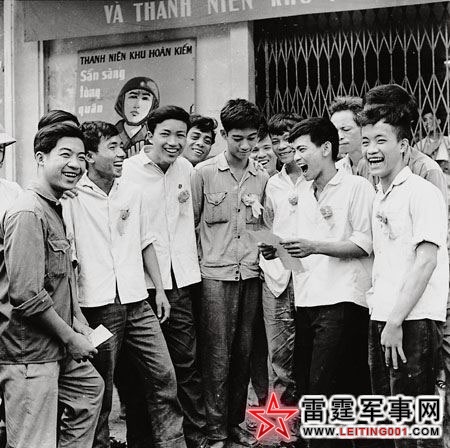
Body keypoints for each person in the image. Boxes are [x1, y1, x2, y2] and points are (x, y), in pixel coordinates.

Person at [62, 121, 186, 448]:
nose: (121, 154)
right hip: (97, 307)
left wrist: (160, 290)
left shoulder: (131, 191)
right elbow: (70, 260)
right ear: (89, 156)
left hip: (137, 301)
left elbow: (146, 241)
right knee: (100, 389)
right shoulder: (72, 197)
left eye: (121, 146)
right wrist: (77, 315)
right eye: (112, 147)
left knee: (164, 377)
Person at [261, 117, 375, 448]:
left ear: (326, 148)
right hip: (307, 302)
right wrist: (276, 251)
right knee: (314, 388)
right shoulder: (302, 191)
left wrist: (314, 246)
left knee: (326, 390)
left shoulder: (356, 187)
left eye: (301, 149)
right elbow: (300, 249)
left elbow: (363, 244)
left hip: (343, 302)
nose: (296, 157)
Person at [0, 122, 104, 448]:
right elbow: (26, 295)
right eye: (65, 155)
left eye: (81, 157)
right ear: (40, 158)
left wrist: (77, 322)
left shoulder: (52, 207)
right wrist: (72, 338)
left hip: (54, 344)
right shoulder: (29, 212)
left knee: (89, 390)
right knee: (33, 441)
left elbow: (58, 278)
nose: (75, 164)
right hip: (29, 353)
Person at [361, 95, 448, 448]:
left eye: (381, 140)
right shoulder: (379, 195)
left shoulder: (422, 193)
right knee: (389, 422)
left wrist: (395, 321)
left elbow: (426, 261)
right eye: (366, 141)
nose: (371, 150)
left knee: (413, 429)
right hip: (383, 318)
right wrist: (385, 319)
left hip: (412, 322)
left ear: (404, 145)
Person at [121, 106, 208, 448]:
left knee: (186, 365)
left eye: (180, 135)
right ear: (149, 134)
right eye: (166, 134)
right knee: (142, 371)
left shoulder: (187, 169)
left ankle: (194, 438)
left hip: (181, 284)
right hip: (141, 287)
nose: (174, 142)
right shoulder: (128, 171)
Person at [192, 98, 268, 448]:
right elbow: (191, 226)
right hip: (214, 278)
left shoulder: (262, 177)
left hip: (250, 276)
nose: (246, 145)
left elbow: (263, 227)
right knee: (216, 356)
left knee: (243, 353)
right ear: (224, 135)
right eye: (238, 138)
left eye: (252, 138)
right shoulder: (203, 173)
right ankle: (215, 430)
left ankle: (235, 422)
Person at [257, 113, 303, 410]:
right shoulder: (272, 183)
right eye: (276, 141)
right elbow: (265, 227)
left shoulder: (320, 178)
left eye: (288, 139)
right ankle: (282, 422)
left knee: (307, 351)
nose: (283, 146)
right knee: (279, 355)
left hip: (310, 277)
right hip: (277, 278)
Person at [115, 77, 160, 158]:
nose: (137, 105)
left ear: (153, 105)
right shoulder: (108, 136)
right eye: (133, 97)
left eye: (145, 98)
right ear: (122, 100)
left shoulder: (155, 141)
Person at [329, 96, 364, 175]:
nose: (339, 136)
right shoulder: (336, 169)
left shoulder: (381, 166)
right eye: (335, 131)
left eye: (346, 129)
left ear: (363, 128)